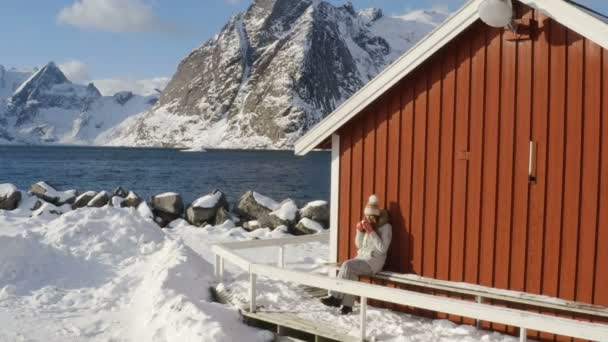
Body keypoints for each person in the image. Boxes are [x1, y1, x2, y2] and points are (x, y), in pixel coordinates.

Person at [320, 194, 392, 314]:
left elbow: (383, 248)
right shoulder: (369, 225)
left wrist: (371, 232)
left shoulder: (386, 227)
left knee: (347, 265)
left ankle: (336, 297)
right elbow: (359, 245)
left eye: (370, 216)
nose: (368, 219)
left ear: (376, 216)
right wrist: (359, 231)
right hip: (362, 258)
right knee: (350, 271)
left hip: (374, 262)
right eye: (366, 216)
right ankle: (347, 306)